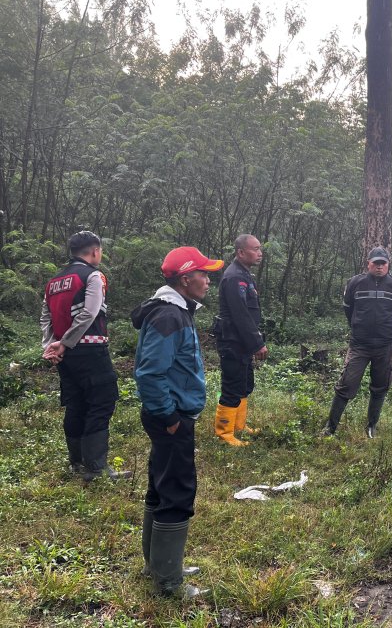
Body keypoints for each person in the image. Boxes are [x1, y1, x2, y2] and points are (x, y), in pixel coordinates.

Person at [131, 246, 223, 598]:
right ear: (185, 279)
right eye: (203, 274)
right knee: (177, 491)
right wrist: (170, 417)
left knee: (161, 485)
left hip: (171, 416)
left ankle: (157, 566)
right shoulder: (170, 316)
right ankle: (168, 583)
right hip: (171, 418)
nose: (208, 281)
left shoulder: (176, 311)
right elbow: (150, 373)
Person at [40, 230, 130, 482]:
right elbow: (89, 313)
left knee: (76, 403)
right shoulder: (93, 276)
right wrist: (64, 343)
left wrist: (51, 346)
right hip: (90, 350)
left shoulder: (53, 282)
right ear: (95, 251)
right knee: (102, 402)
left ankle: (77, 463)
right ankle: (96, 468)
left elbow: (45, 317)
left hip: (65, 356)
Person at [323, 246, 392, 438]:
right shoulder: (355, 283)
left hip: (385, 346)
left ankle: (371, 426)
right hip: (360, 345)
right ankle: (330, 428)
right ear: (368, 263)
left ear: (388, 265)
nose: (379, 267)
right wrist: (359, 326)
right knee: (346, 384)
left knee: (380, 386)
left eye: (383, 263)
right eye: (376, 263)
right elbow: (348, 309)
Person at [213, 234, 268, 447]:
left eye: (260, 248)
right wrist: (257, 343)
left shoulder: (245, 274)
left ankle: (238, 426)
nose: (260, 253)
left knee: (244, 383)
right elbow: (240, 315)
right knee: (232, 385)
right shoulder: (235, 277)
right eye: (255, 249)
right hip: (232, 341)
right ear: (241, 252)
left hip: (242, 342)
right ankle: (224, 432)